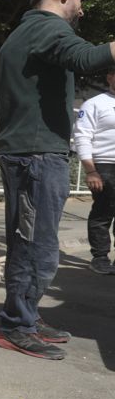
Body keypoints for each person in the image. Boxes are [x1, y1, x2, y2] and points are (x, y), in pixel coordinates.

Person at [0, 0, 115, 360]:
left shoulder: (27, 32)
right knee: (35, 246)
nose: (82, 5)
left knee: (35, 243)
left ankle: (26, 315)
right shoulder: (46, 27)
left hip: (33, 152)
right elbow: (84, 57)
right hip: (35, 155)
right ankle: (16, 325)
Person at [73, 66, 115, 275]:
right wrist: (91, 171)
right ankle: (100, 257)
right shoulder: (94, 104)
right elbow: (82, 137)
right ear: (110, 78)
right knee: (104, 211)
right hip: (104, 165)